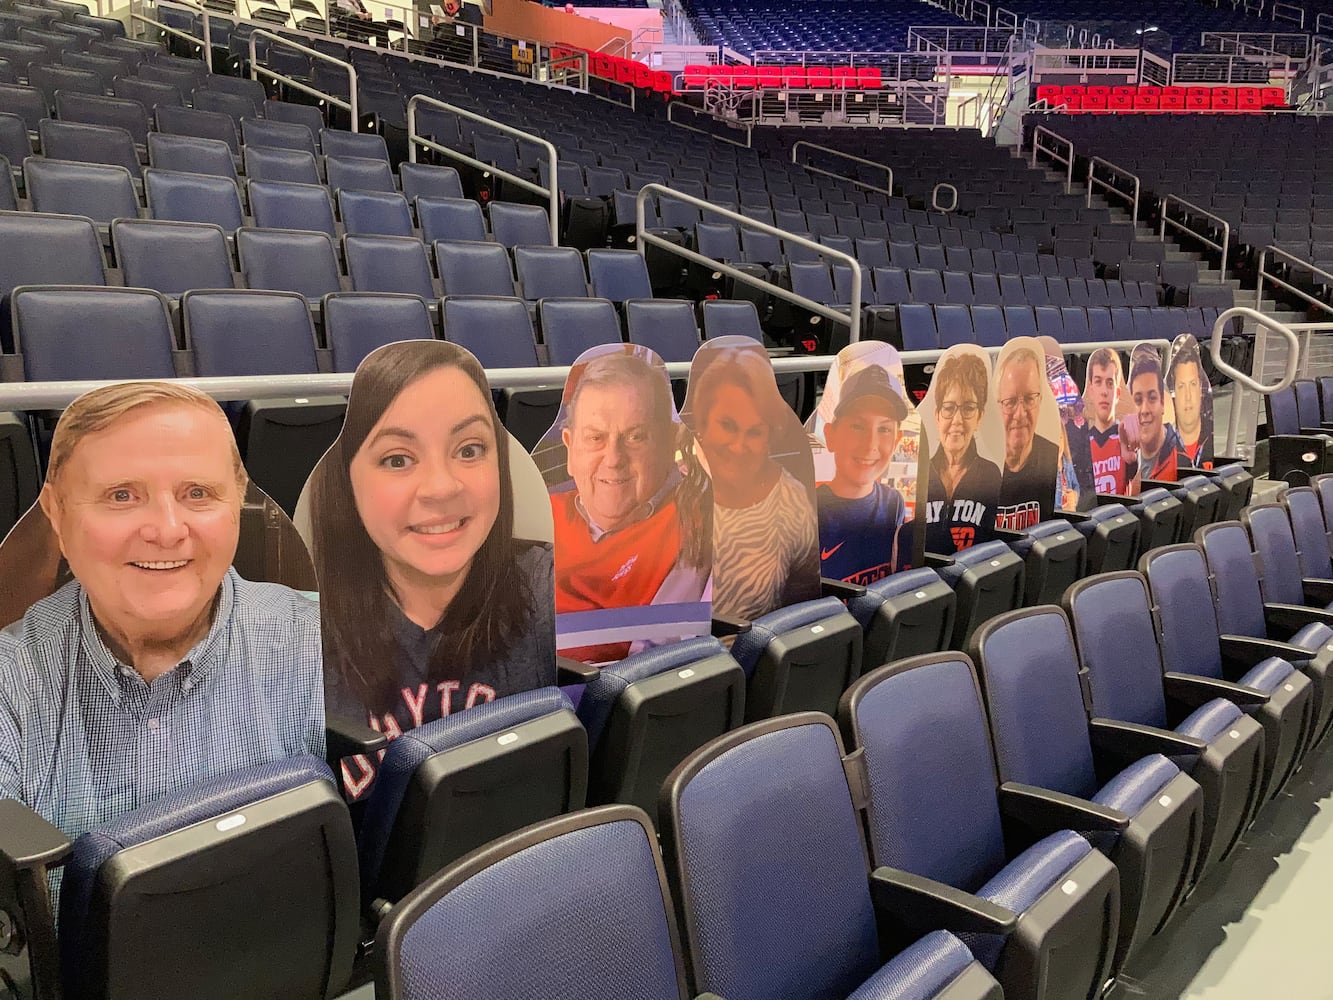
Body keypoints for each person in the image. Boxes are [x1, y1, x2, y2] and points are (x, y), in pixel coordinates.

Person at [0, 382, 325, 885]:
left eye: (197, 493)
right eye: (122, 495)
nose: (168, 529)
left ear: (237, 503)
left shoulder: (329, 641)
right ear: (56, 514)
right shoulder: (10, 681)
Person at [308, 341, 554, 798]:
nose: (442, 487)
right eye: (397, 459)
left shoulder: (550, 586)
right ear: (348, 482)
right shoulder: (292, 637)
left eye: (470, 449)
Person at [550, 350, 709, 663]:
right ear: (570, 448)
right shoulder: (531, 519)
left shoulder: (694, 526)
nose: (613, 459)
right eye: (595, 438)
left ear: (668, 444)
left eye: (636, 437)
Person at [693, 347, 819, 620]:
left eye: (754, 432)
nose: (738, 446)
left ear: (770, 436)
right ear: (702, 421)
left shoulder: (792, 500)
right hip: (676, 661)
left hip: (754, 656)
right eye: (727, 425)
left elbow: (803, 601)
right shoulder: (667, 491)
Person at [815, 363, 909, 585]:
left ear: (896, 441)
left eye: (884, 429)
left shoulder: (894, 503)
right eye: (857, 426)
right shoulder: (806, 513)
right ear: (831, 435)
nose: (870, 446)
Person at [925, 351, 1001, 553]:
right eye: (949, 408)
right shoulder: (919, 475)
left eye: (968, 408)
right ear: (937, 416)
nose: (957, 420)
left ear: (979, 417)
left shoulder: (991, 476)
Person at [994, 346, 1060, 530]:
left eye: (1030, 398)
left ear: (1040, 401)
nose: (1020, 414)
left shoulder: (1053, 457)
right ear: (997, 404)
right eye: (1011, 402)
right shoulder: (981, 467)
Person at [1081, 348, 1139, 495]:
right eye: (1098, 382)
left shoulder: (1127, 437)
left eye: (1110, 383)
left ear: (1118, 393)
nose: (1104, 391)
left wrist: (1133, 463)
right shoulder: (1081, 445)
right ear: (1090, 390)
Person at [1130, 351, 1184, 481]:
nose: (1144, 410)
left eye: (1152, 398)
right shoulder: (1122, 459)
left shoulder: (1183, 455)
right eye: (1138, 400)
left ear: (1163, 404)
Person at [1168, 339, 1212, 469]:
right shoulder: (1163, 448)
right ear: (1173, 392)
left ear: (1201, 389)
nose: (1188, 396)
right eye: (1181, 386)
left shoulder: (1211, 437)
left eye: (1193, 384)